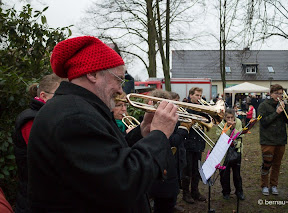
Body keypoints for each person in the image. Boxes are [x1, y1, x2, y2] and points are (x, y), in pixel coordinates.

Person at [27, 36, 178, 212]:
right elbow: (123, 182)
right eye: (118, 79)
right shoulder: (74, 117)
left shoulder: (79, 108)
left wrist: (143, 133)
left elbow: (108, 157)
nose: (121, 90)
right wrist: (159, 135)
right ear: (92, 74)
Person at [13, 74, 63, 213]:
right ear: (43, 95)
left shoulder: (48, 116)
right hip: (35, 200)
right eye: (59, 94)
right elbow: (45, 158)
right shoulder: (31, 119)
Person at [148, 90, 188, 213]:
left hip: (172, 161)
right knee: (164, 196)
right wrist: (185, 129)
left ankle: (171, 203)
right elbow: (173, 140)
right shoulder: (155, 121)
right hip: (161, 170)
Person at [258, 84, 288, 196]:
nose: (279, 96)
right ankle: (264, 185)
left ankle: (274, 185)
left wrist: (285, 110)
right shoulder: (263, 105)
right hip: (267, 140)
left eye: (281, 93)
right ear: (270, 94)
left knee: (277, 164)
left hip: (281, 140)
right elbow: (264, 122)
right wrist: (277, 112)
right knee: (266, 164)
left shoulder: (283, 105)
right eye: (276, 93)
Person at [182, 87, 207, 203]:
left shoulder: (202, 108)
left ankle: (195, 192)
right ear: (190, 95)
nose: (199, 98)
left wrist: (206, 113)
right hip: (188, 143)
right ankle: (186, 194)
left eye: (200, 96)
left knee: (197, 169)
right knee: (187, 170)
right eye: (197, 95)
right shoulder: (185, 108)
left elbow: (208, 122)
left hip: (199, 143)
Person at [216, 109, 244, 200]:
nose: (230, 119)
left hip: (236, 150)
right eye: (228, 118)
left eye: (232, 117)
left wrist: (234, 129)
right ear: (224, 117)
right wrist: (229, 128)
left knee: (237, 173)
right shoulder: (221, 124)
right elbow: (220, 136)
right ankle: (226, 192)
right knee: (224, 174)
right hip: (224, 152)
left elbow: (241, 134)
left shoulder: (238, 122)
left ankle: (239, 191)